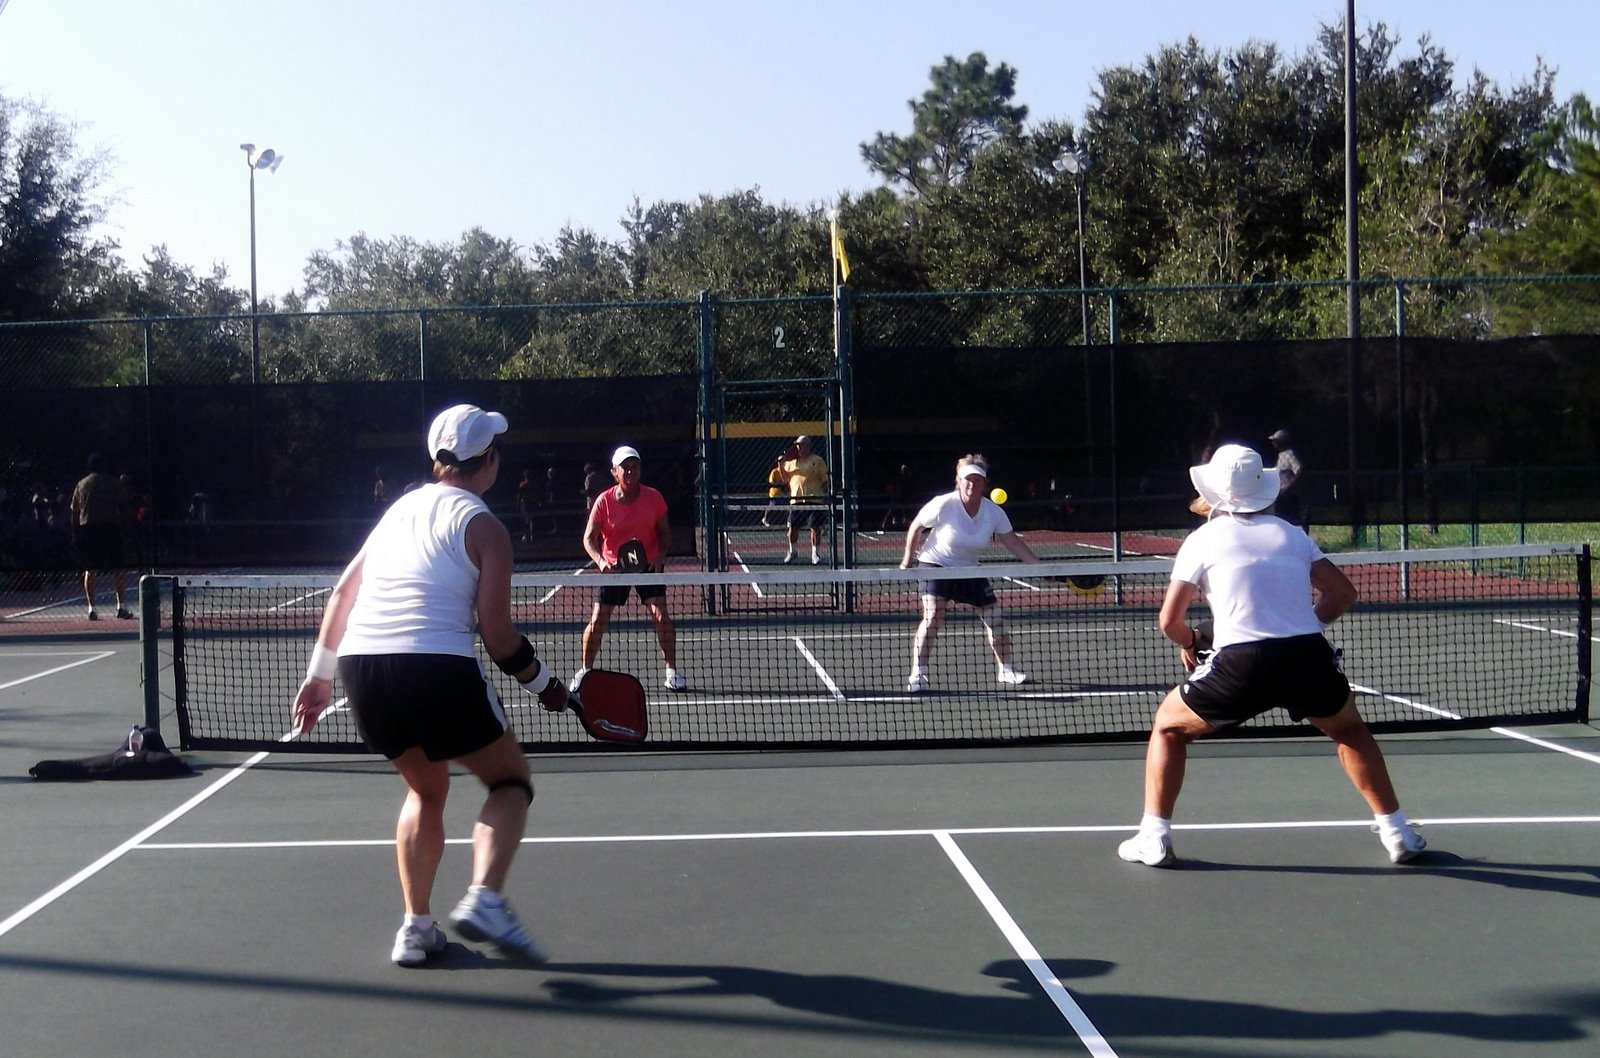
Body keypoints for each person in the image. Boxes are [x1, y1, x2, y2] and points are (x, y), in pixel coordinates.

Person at [290, 404, 568, 967]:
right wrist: (547, 686)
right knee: (510, 781)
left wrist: (319, 678)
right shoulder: (485, 527)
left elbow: (343, 593)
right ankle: (486, 899)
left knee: (426, 790)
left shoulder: (396, 511)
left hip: (362, 669)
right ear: (488, 463)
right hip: (435, 667)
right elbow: (497, 635)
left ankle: (415, 929)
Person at [1117, 444, 1427, 868]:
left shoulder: (1201, 540)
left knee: (1169, 728)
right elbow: (1343, 593)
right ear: (1262, 488)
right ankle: (1399, 832)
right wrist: (1308, 625)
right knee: (1350, 731)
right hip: (1307, 657)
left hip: (1241, 665)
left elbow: (1169, 622)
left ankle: (1153, 837)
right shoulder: (1291, 533)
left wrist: (1191, 643)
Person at [898, 454, 1043, 693]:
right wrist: (906, 562)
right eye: (967, 479)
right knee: (934, 615)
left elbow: (1013, 542)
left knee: (995, 617)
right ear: (958, 481)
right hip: (935, 564)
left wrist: (1040, 567)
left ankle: (1006, 669)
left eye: (977, 480)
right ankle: (918, 674)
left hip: (968, 568)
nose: (971, 484)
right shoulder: (943, 504)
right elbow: (916, 526)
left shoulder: (993, 512)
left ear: (984, 484)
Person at [578, 445, 685, 691]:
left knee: (661, 616)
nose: (630, 470)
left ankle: (672, 670)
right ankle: (584, 672)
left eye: (634, 465)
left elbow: (665, 534)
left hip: (648, 566)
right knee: (598, 621)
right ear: (614, 472)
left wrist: (660, 556)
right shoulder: (603, 502)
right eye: (625, 466)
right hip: (614, 568)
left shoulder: (654, 498)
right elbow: (589, 538)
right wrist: (602, 562)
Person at [68, 454, 131, 621]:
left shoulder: (81, 484)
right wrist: (126, 529)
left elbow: (74, 511)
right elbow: (123, 506)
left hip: (88, 528)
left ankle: (91, 607)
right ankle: (121, 605)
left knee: (90, 568)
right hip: (110, 527)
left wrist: (75, 532)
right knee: (117, 568)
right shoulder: (113, 483)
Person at [776, 435, 830, 564]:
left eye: (802, 445)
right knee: (792, 528)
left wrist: (826, 496)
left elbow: (824, 480)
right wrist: (780, 463)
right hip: (796, 500)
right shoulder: (791, 462)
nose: (799, 447)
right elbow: (785, 479)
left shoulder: (817, 460)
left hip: (815, 499)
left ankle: (815, 554)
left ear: (808, 446)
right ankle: (793, 552)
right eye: (798, 445)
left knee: (815, 528)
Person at [1268, 428, 1306, 527]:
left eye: (1276, 441)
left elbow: (1299, 469)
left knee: (1290, 519)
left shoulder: (1289, 454)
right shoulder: (1281, 455)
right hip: (1281, 493)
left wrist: (1289, 487)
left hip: (1288, 494)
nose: (1273, 443)